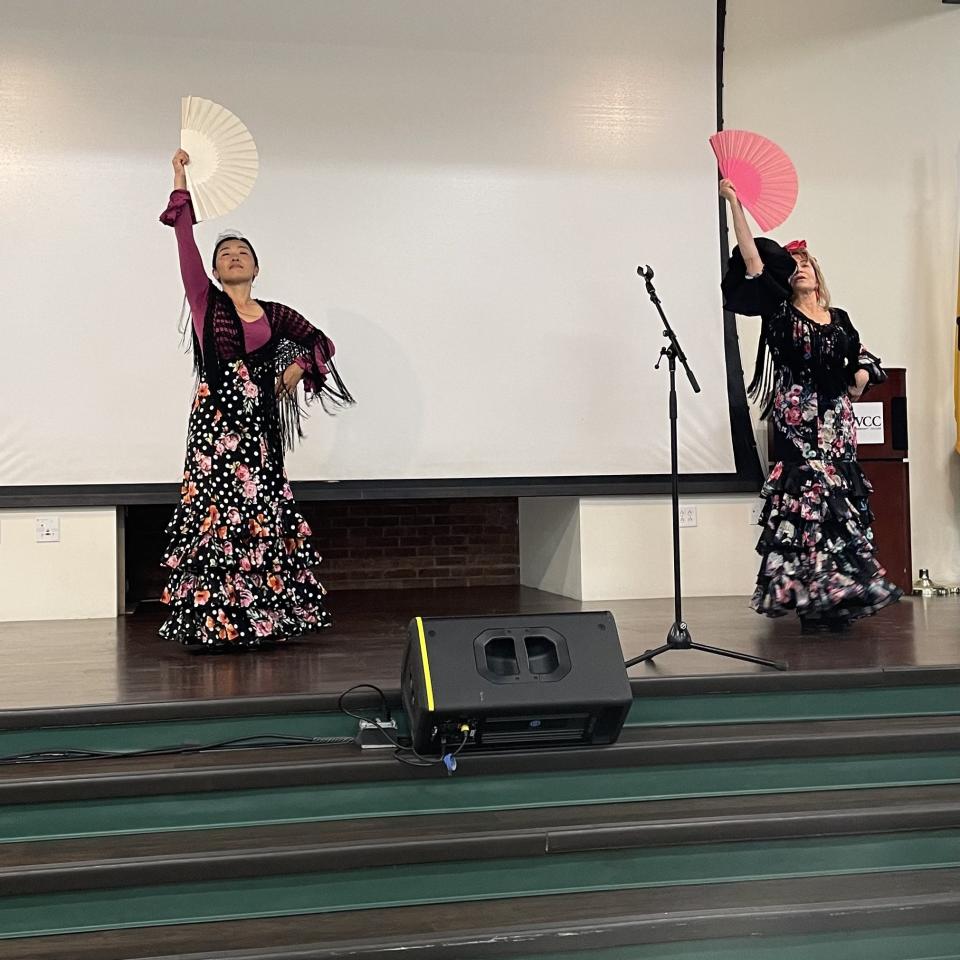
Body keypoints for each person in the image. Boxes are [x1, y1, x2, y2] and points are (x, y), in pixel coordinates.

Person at [157, 149, 353, 650]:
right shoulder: (206, 302)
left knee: (260, 512)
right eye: (225, 254)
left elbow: (321, 343)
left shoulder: (273, 312)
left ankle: (263, 617)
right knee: (217, 517)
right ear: (217, 271)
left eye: (242, 251)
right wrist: (180, 180)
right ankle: (217, 622)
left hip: (258, 429)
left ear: (257, 266)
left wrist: (297, 367)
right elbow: (185, 240)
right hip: (215, 428)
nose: (233, 256)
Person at [719, 178, 901, 631]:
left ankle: (838, 595)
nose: (799, 269)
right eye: (793, 264)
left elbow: (860, 354)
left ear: (818, 276)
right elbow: (753, 261)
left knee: (839, 500)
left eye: (805, 264)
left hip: (837, 416)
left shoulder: (839, 319)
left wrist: (859, 375)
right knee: (809, 500)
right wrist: (734, 204)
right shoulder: (780, 310)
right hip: (800, 412)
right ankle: (809, 595)